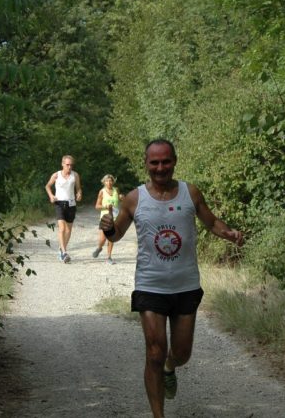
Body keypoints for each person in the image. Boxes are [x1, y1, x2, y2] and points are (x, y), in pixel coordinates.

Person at [99, 139, 244, 418]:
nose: (160, 167)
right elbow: (116, 234)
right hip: (150, 284)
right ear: (146, 164)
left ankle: (170, 366)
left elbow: (212, 222)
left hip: (185, 284)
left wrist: (229, 233)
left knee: (182, 353)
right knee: (154, 351)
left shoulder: (190, 193)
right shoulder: (134, 198)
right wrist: (107, 228)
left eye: (165, 161)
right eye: (154, 162)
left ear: (174, 161)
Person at [45, 155, 83, 263]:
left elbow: (78, 188)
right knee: (61, 228)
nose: (69, 167)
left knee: (68, 230)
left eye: (71, 165)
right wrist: (51, 196)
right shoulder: (56, 175)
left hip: (71, 204)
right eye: (67, 165)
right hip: (59, 203)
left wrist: (79, 194)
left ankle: (62, 249)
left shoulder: (75, 175)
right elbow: (47, 186)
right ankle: (64, 253)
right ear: (62, 164)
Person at [92, 174, 123, 264]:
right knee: (103, 239)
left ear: (113, 182)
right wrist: (105, 206)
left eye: (110, 181)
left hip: (115, 217)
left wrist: (122, 197)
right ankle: (99, 247)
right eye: (107, 181)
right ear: (104, 182)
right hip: (105, 218)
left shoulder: (116, 190)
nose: (109, 183)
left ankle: (109, 257)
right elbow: (97, 206)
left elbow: (121, 200)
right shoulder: (102, 192)